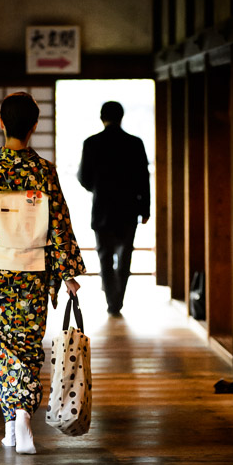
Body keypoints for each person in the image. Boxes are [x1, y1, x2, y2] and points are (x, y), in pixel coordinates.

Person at [0, 92, 86, 454]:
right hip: (32, 271)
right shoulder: (43, 171)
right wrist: (67, 271)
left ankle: (13, 418)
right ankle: (19, 416)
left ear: (0, 122)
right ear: (34, 126)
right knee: (27, 345)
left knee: (0, 347)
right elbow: (59, 224)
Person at [77, 100, 150, 317]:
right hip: (129, 210)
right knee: (125, 255)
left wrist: (98, 189)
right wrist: (145, 210)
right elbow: (143, 179)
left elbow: (83, 178)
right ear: (121, 117)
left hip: (102, 210)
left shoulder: (91, 143)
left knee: (105, 257)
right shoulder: (135, 143)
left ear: (102, 117)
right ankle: (118, 299)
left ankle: (112, 302)